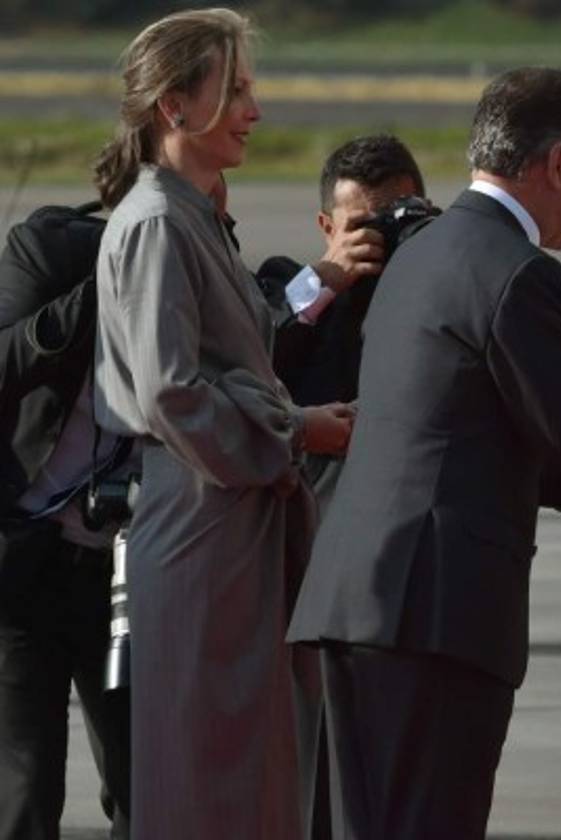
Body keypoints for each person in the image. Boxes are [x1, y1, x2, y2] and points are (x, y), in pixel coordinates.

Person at [287, 67, 561, 840]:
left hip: (359, 598)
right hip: (435, 613)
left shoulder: (420, 251)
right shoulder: (521, 273)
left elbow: (470, 427)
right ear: (558, 165)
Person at [91, 9, 352, 839]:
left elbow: (230, 358)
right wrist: (292, 435)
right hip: (205, 519)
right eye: (235, 89)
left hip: (230, 518)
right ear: (174, 106)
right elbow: (173, 393)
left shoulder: (192, 213)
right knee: (213, 774)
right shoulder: (160, 223)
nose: (255, 109)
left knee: (250, 767)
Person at [0, 206, 131, 838]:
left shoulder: (207, 271)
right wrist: (102, 290)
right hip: (28, 563)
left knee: (146, 785)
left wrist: (318, 283)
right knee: (25, 789)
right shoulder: (51, 249)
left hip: (125, 574)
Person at [261, 133, 426, 508]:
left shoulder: (439, 292)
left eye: (393, 221)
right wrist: (323, 282)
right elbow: (258, 346)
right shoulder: (292, 288)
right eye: (363, 226)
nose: (381, 237)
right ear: (327, 227)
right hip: (322, 511)